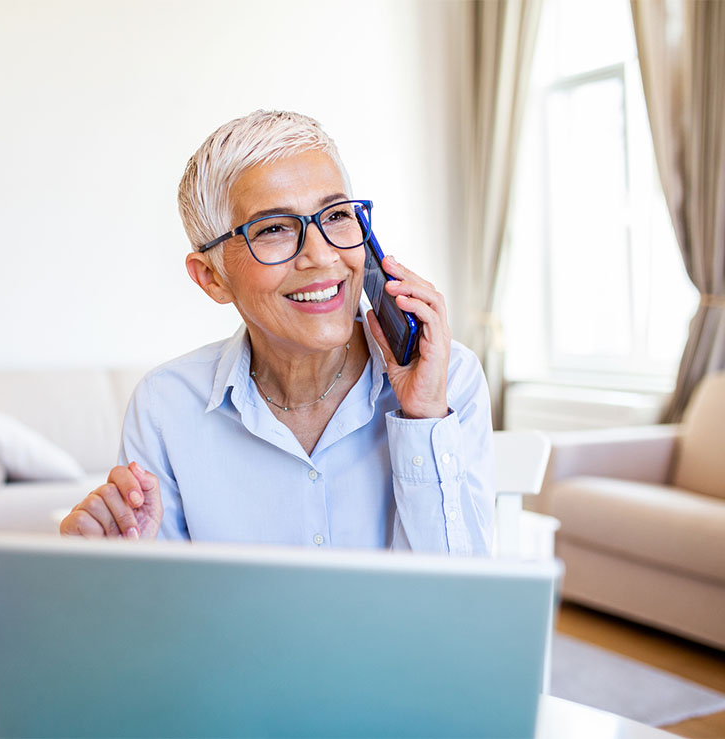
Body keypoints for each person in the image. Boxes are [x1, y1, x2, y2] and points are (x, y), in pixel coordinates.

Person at [61, 110, 494, 555]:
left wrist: (424, 418)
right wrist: (111, 570)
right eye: (272, 229)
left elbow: (464, 606)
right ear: (212, 277)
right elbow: (163, 611)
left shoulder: (448, 378)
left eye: (337, 215)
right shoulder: (165, 406)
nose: (322, 256)